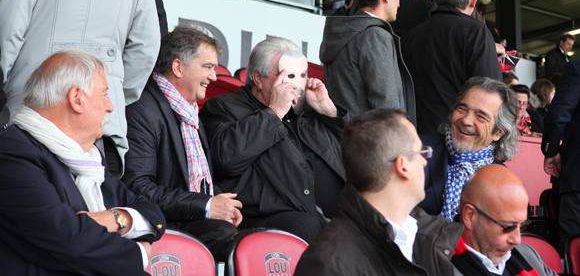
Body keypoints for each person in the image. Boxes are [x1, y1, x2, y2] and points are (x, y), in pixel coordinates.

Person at [0, 0, 160, 176]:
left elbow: (6, 34)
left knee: (32, 214)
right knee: (94, 216)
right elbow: (146, 49)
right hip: (101, 127)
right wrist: (106, 96)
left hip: (34, 116)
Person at [0, 50, 166, 275]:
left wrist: (115, 219)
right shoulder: (12, 152)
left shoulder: (87, 160)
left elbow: (152, 214)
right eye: (104, 94)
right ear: (77, 98)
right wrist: (140, 253)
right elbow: (69, 241)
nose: (110, 106)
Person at [200, 37, 346, 243]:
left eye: (303, 75)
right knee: (308, 225)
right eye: (289, 76)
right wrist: (274, 112)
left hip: (338, 216)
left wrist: (329, 114)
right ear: (258, 79)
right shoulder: (223, 107)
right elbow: (226, 159)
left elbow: (357, 155)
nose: (298, 84)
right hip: (267, 216)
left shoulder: (310, 110)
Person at [294, 109, 463, 276]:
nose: (425, 162)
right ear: (402, 166)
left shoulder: (432, 232)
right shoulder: (328, 263)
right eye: (421, 153)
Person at [123, 25, 240, 261]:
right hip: (161, 224)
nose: (214, 77)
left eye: (214, 68)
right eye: (207, 67)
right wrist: (207, 206)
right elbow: (137, 188)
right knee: (229, 239)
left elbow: (198, 182)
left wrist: (222, 204)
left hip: (187, 219)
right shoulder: (142, 110)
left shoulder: (188, 110)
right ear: (177, 67)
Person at [402, 0, 502, 134]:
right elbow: (490, 90)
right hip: (457, 135)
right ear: (474, 1)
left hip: (412, 134)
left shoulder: (409, 35)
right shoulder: (476, 32)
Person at [320, 0, 416, 123]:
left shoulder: (343, 33)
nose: (399, 3)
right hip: (371, 142)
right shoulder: (375, 36)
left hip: (342, 139)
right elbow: (386, 104)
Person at [419, 77, 519, 221]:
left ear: (498, 133)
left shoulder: (503, 182)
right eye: (462, 109)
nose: (466, 120)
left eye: (481, 116)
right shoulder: (417, 150)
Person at [454, 165, 557, 276]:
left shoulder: (528, 255)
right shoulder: (439, 267)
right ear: (470, 217)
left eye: (521, 225)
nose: (517, 240)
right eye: (508, 227)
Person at [542, 60, 580, 236]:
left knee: (573, 252)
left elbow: (558, 115)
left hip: (576, 181)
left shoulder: (577, 68)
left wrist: (551, 151)